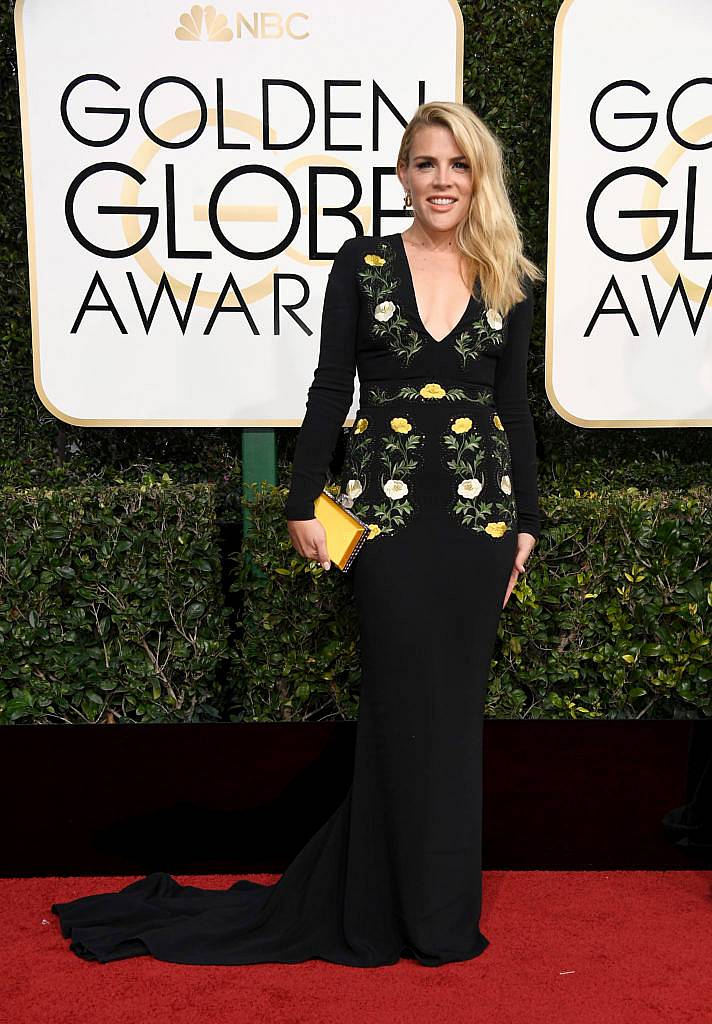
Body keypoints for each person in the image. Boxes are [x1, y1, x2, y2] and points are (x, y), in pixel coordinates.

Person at [51, 100, 542, 967]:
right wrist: (299, 501)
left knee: (456, 717)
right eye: (427, 164)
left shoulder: (509, 277)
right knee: (397, 710)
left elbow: (515, 414)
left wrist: (526, 525)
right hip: (383, 520)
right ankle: (372, 906)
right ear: (402, 174)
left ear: (480, 177)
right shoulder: (363, 264)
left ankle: (437, 915)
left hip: (475, 522)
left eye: (458, 165)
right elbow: (329, 391)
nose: (442, 181)